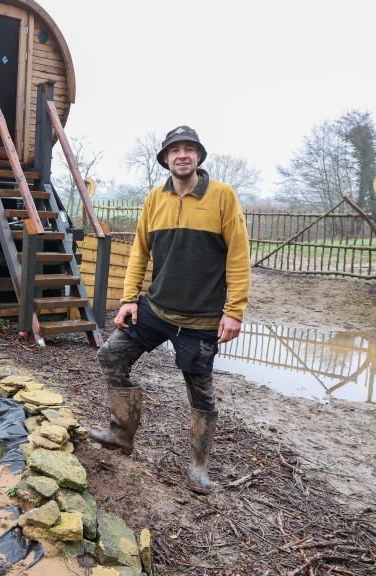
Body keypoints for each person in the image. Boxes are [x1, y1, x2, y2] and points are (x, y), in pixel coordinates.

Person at [89, 125, 250, 491]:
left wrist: (234, 310)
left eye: (189, 149)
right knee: (111, 355)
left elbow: (239, 256)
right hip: (157, 310)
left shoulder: (223, 197)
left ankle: (198, 465)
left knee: (201, 391)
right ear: (165, 158)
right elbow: (140, 251)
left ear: (198, 157)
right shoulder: (154, 199)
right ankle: (120, 432)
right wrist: (129, 298)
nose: (182, 155)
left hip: (202, 318)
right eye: (175, 149)